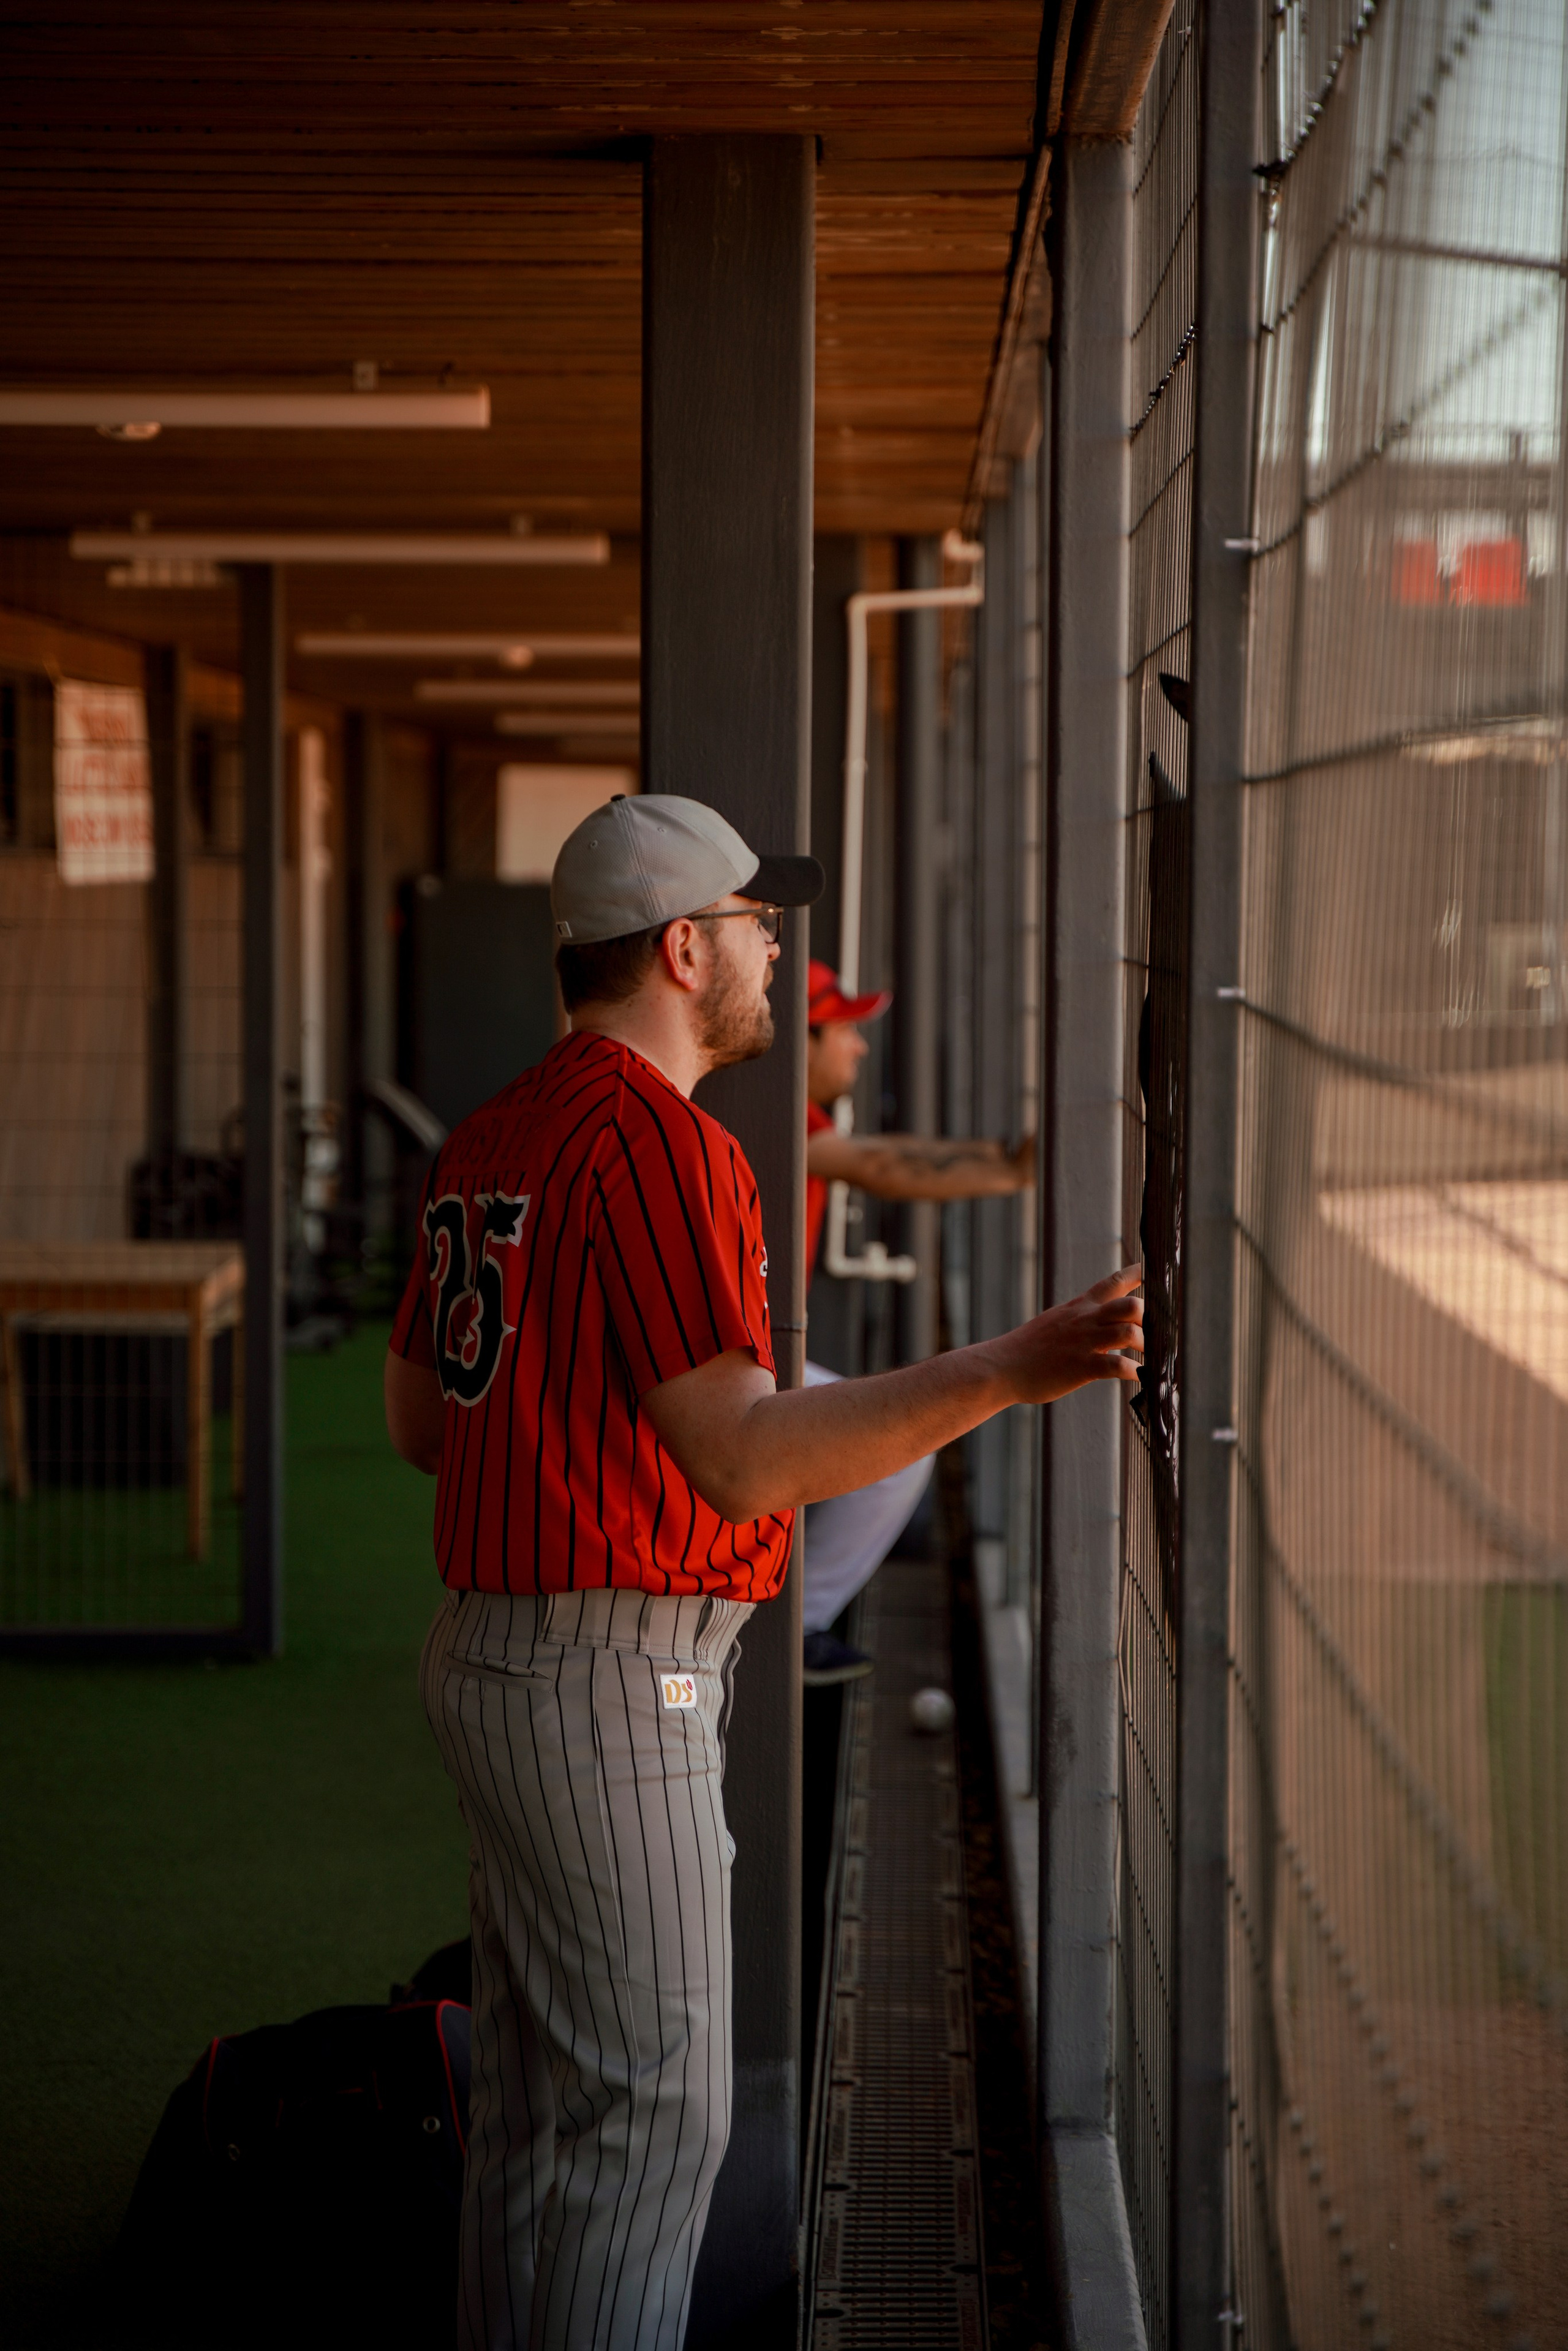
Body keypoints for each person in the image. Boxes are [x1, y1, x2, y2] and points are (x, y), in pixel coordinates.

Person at [383, 791, 1142, 2351]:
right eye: (753, 924)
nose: (774, 949)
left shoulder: (496, 1126)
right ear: (681, 947)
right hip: (602, 1679)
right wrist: (1011, 1364)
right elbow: (741, 1457)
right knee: (649, 2126)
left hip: (495, 1655)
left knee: (542, 2123)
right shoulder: (665, 1142)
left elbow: (416, 1420)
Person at [799, 959, 1035, 1684]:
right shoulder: (764, 1116)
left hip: (726, 1353)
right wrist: (1010, 1166)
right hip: (707, 1360)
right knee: (896, 1453)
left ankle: (795, 1625)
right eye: (843, 1029)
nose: (858, 1047)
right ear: (797, 1039)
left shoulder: (785, 1114)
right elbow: (884, 1164)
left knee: (892, 1457)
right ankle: (795, 1629)